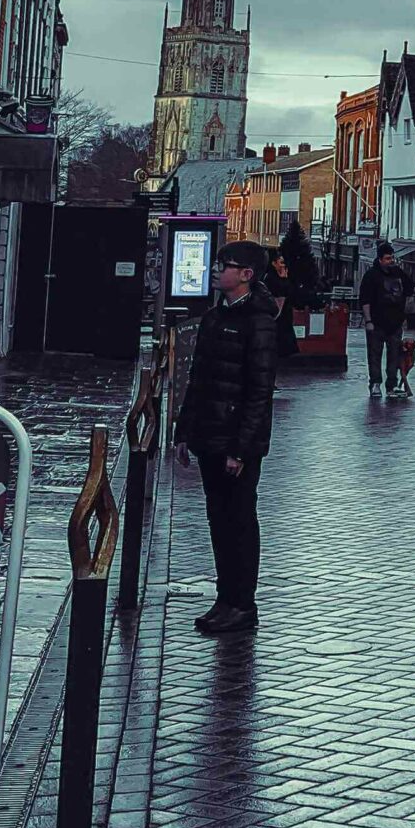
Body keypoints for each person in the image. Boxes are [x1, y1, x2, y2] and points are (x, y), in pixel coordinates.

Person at [174, 242, 280, 634]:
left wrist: (241, 448)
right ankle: (225, 598)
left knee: (238, 521)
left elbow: (259, 391)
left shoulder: (259, 322)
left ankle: (242, 604)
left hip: (236, 442)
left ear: (247, 275)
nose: (217, 270)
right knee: (218, 520)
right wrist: (184, 431)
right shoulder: (215, 317)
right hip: (208, 435)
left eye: (225, 265)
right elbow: (197, 380)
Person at [357, 242, 410, 396]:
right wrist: (368, 321)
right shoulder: (371, 276)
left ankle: (391, 385)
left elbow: (410, 286)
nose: (391, 261)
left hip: (395, 323)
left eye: (392, 257)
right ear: (380, 259)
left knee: (394, 355)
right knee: (374, 355)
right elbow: (365, 300)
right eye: (387, 258)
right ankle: (375, 384)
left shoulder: (398, 273)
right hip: (377, 323)